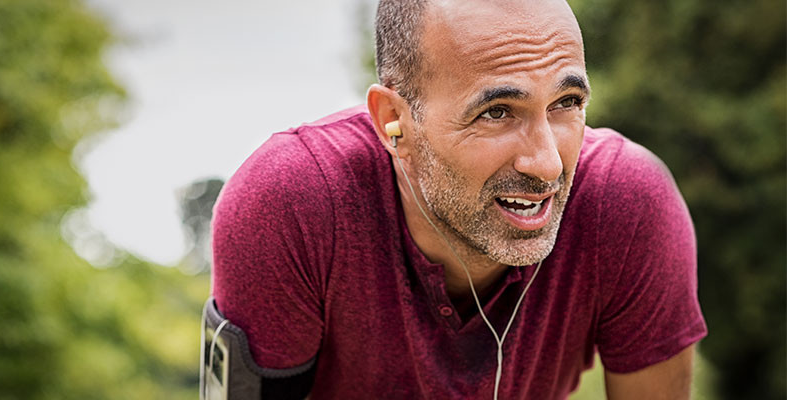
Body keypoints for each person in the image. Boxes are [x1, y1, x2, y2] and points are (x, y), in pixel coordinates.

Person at [208, 0, 707, 398]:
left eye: (566, 103)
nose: (548, 164)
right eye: (496, 112)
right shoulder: (291, 203)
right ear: (392, 123)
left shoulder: (629, 203)